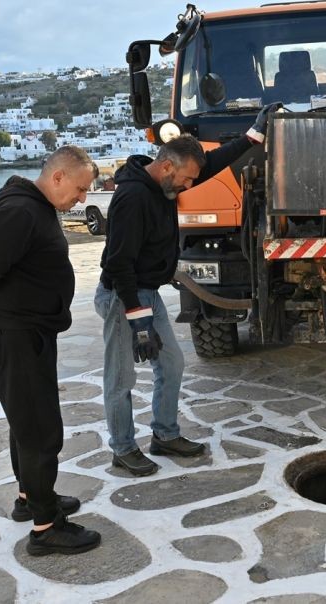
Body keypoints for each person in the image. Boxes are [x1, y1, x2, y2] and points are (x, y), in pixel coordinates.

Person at [95, 104, 279, 476]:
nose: (190, 187)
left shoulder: (165, 179)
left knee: (171, 364)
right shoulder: (132, 199)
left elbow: (208, 165)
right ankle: (123, 449)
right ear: (167, 166)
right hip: (123, 295)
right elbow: (118, 265)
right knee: (121, 376)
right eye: (187, 180)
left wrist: (252, 136)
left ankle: (164, 435)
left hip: (147, 291)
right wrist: (138, 321)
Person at [0, 146, 101, 556]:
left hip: (26, 329)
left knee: (26, 421)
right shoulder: (20, 211)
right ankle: (46, 527)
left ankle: (29, 497)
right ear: (57, 177)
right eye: (80, 189)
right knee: (39, 429)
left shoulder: (33, 205)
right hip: (14, 333)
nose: (82, 199)